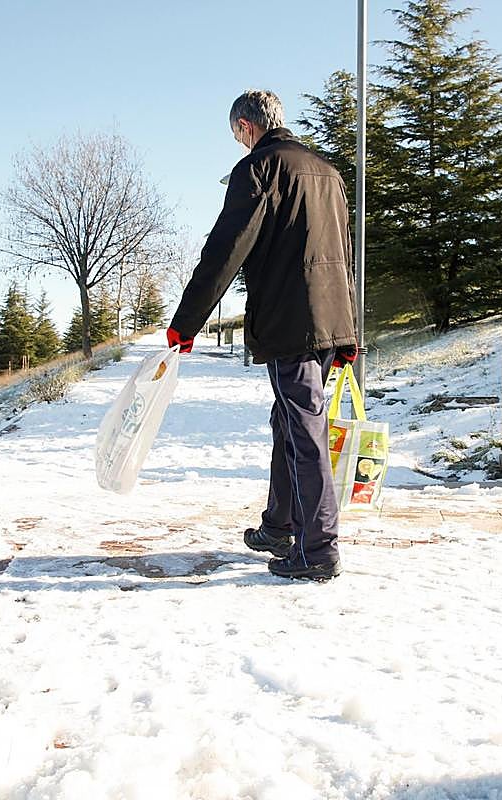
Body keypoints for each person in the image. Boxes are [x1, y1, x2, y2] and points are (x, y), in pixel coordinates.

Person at [167, 89, 358, 582]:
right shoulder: (328, 173)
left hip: (290, 319)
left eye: (236, 135)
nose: (238, 144)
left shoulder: (259, 169)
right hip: (328, 318)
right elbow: (344, 254)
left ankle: (318, 550)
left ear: (247, 127)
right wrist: (348, 328)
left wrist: (186, 323)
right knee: (290, 422)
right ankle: (279, 526)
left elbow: (225, 251)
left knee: (304, 431)